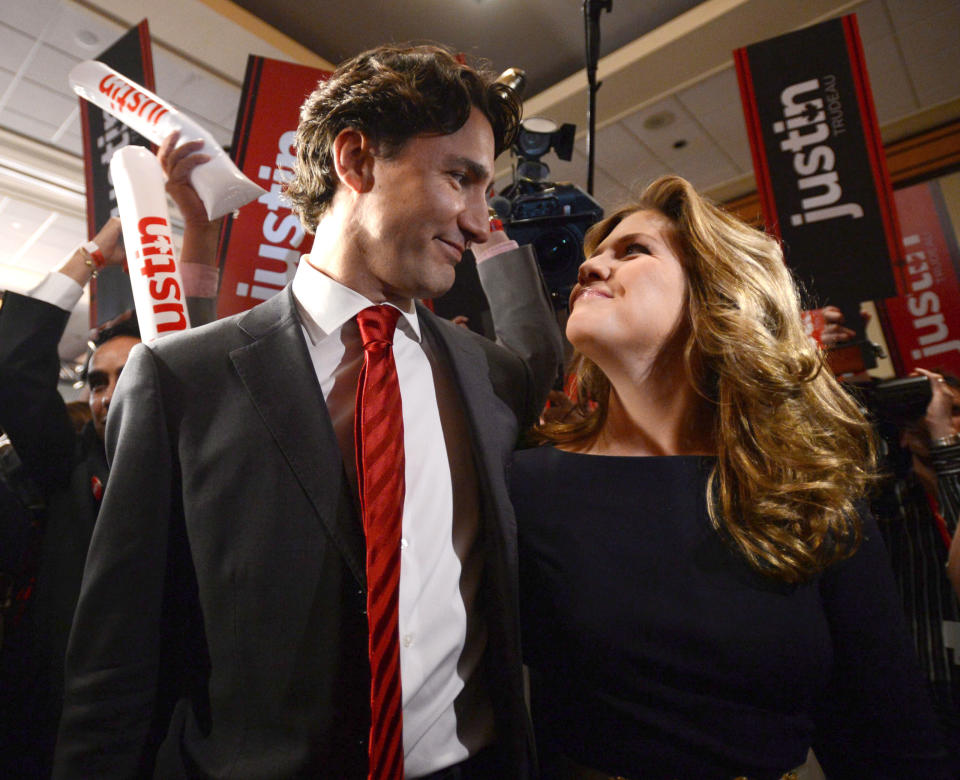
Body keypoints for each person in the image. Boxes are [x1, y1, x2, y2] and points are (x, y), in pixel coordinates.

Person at [54, 44, 562, 778]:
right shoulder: (178, 380)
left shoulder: (496, 379)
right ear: (355, 160)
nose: (481, 222)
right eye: (461, 179)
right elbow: (116, 669)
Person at [511, 175, 952, 779]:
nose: (590, 267)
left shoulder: (805, 491)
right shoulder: (527, 481)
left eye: (631, 251)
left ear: (716, 294)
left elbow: (892, 740)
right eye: (594, 253)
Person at [0, 136, 221, 779]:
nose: (110, 392)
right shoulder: (64, 467)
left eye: (131, 373)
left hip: (169, 727)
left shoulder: (202, 458)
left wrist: (201, 227)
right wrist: (103, 245)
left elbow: (197, 340)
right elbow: (14, 364)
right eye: (98, 380)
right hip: (44, 720)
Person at [877, 367, 960, 767]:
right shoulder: (893, 501)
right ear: (907, 436)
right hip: (931, 677)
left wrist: (945, 442)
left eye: (955, 411)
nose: (946, 420)